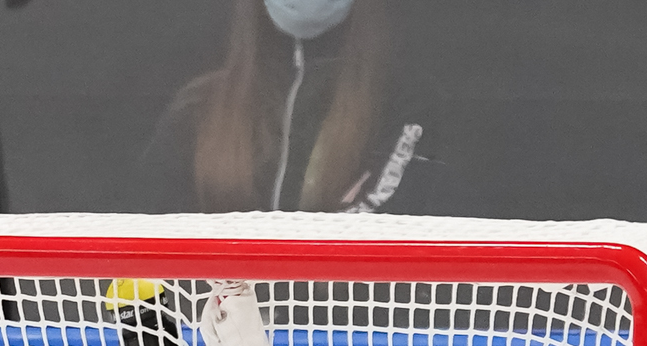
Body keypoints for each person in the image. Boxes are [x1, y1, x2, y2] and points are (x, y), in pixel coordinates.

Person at [134, 0, 444, 216]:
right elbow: (143, 253)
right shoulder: (198, 107)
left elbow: (391, 249)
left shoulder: (404, 104)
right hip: (211, 297)